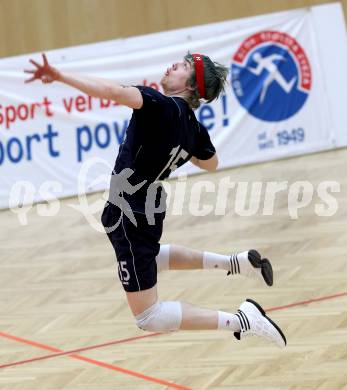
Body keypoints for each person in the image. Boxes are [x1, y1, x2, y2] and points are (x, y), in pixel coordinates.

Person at [25, 53, 286, 348]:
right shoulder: (194, 127)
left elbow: (111, 92)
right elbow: (210, 162)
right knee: (151, 257)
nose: (174, 65)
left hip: (130, 209)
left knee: (149, 316)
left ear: (190, 85)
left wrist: (60, 76)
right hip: (149, 205)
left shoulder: (160, 105)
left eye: (184, 66)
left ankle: (242, 320)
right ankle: (235, 263)